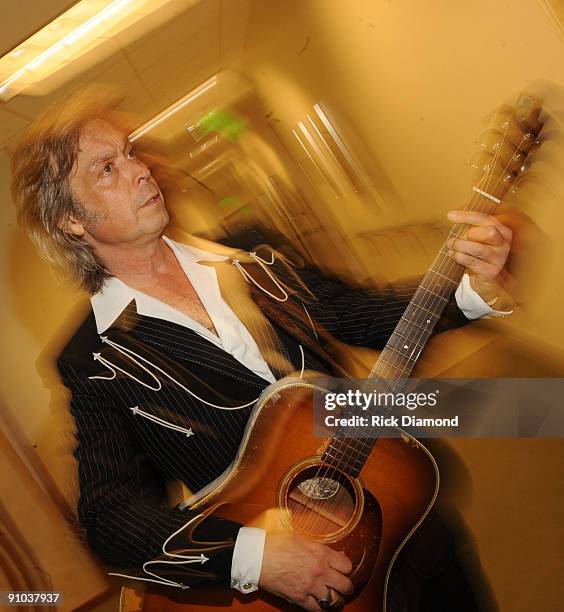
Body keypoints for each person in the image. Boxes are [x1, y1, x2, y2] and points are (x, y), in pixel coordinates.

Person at [11, 95, 513, 611]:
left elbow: (353, 312)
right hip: (298, 588)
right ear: (71, 220)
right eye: (107, 169)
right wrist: (253, 557)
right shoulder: (93, 358)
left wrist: (470, 289)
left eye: (131, 153)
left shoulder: (253, 256)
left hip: (401, 513)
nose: (139, 171)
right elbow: (110, 515)